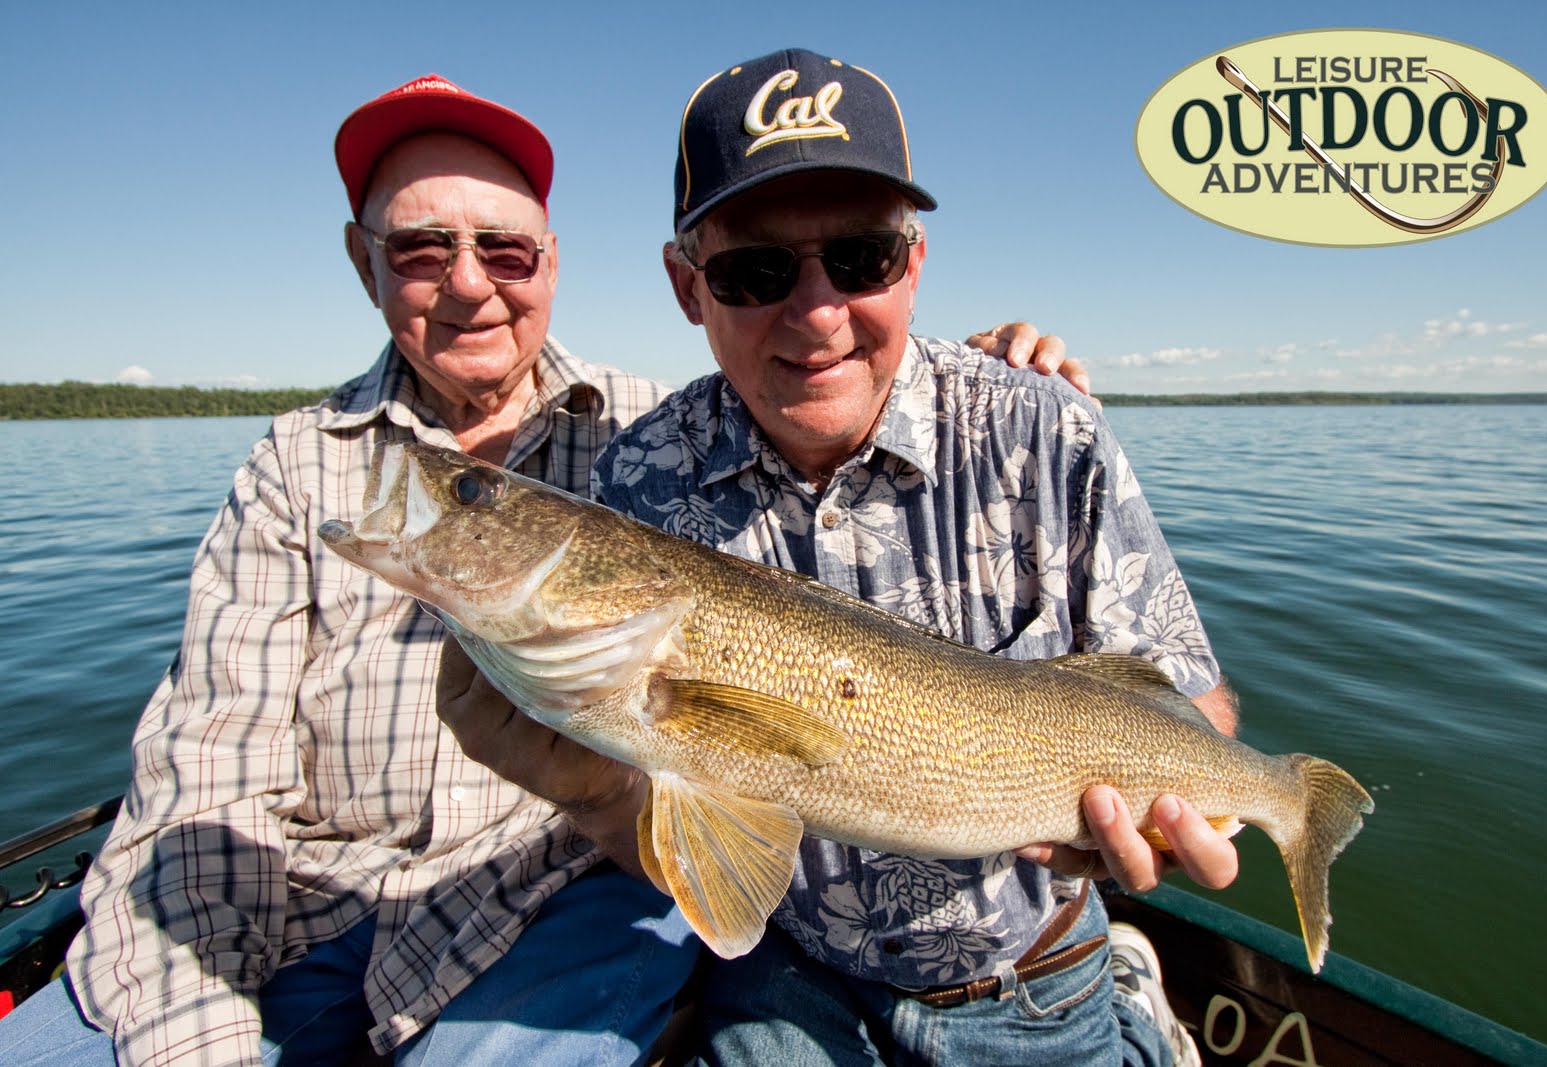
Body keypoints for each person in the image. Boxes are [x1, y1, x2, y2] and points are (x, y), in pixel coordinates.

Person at [0, 73, 1070, 1066]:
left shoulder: (660, 433)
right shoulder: (296, 465)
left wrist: (979, 371)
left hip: (547, 904)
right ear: (361, 260)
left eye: (504, 253)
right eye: (422, 250)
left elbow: (820, 370)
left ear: (549, 263)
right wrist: (205, 1025)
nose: (469, 286)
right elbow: (208, 765)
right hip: (305, 907)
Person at [583, 48, 1241, 1065]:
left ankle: (1130, 1001)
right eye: (755, 271)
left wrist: (1170, 811)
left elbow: (1188, 696)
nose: (816, 313)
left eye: (861, 260)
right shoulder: (637, 481)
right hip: (788, 963)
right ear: (685, 284)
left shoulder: (1044, 430)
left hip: (1022, 972)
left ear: (916, 262)